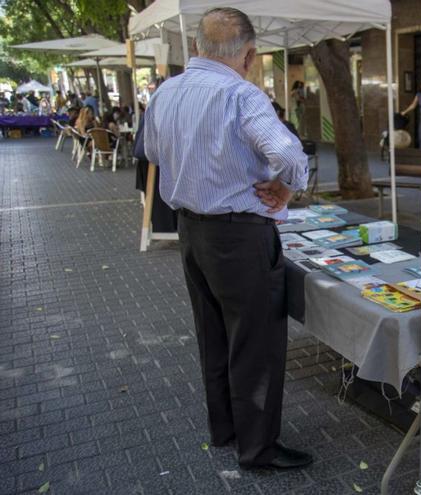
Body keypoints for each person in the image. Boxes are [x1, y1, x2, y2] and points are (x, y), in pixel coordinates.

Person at [143, 7, 310, 471]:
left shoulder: (166, 93)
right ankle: (257, 449)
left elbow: (154, 153)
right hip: (239, 238)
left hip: (191, 231)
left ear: (197, 47)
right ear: (250, 55)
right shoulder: (242, 95)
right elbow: (289, 154)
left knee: (212, 334)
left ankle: (226, 431)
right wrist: (286, 186)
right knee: (254, 344)